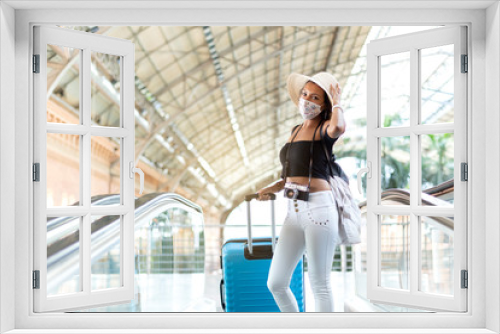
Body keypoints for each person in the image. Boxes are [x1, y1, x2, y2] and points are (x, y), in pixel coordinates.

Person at [256, 72, 346, 312]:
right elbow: (290, 175)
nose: (307, 100)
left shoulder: (325, 128)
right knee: (276, 282)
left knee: (320, 284)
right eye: (305, 94)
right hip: (293, 211)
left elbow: (338, 126)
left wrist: (337, 101)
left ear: (324, 104)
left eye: (315, 97)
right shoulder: (295, 130)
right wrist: (272, 188)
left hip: (319, 208)